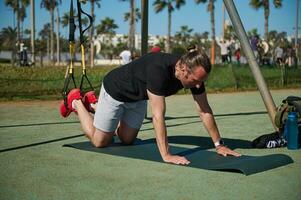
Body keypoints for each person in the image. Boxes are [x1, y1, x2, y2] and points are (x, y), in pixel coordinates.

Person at [60, 45, 241, 165]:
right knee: (100, 141)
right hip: (116, 90)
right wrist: (167, 155)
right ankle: (76, 102)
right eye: (196, 80)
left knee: (127, 139)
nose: (199, 85)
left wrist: (219, 144)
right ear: (184, 69)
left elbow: (204, 110)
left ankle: (95, 105)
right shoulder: (159, 71)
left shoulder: (194, 76)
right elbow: (157, 116)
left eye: (202, 80)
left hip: (138, 98)